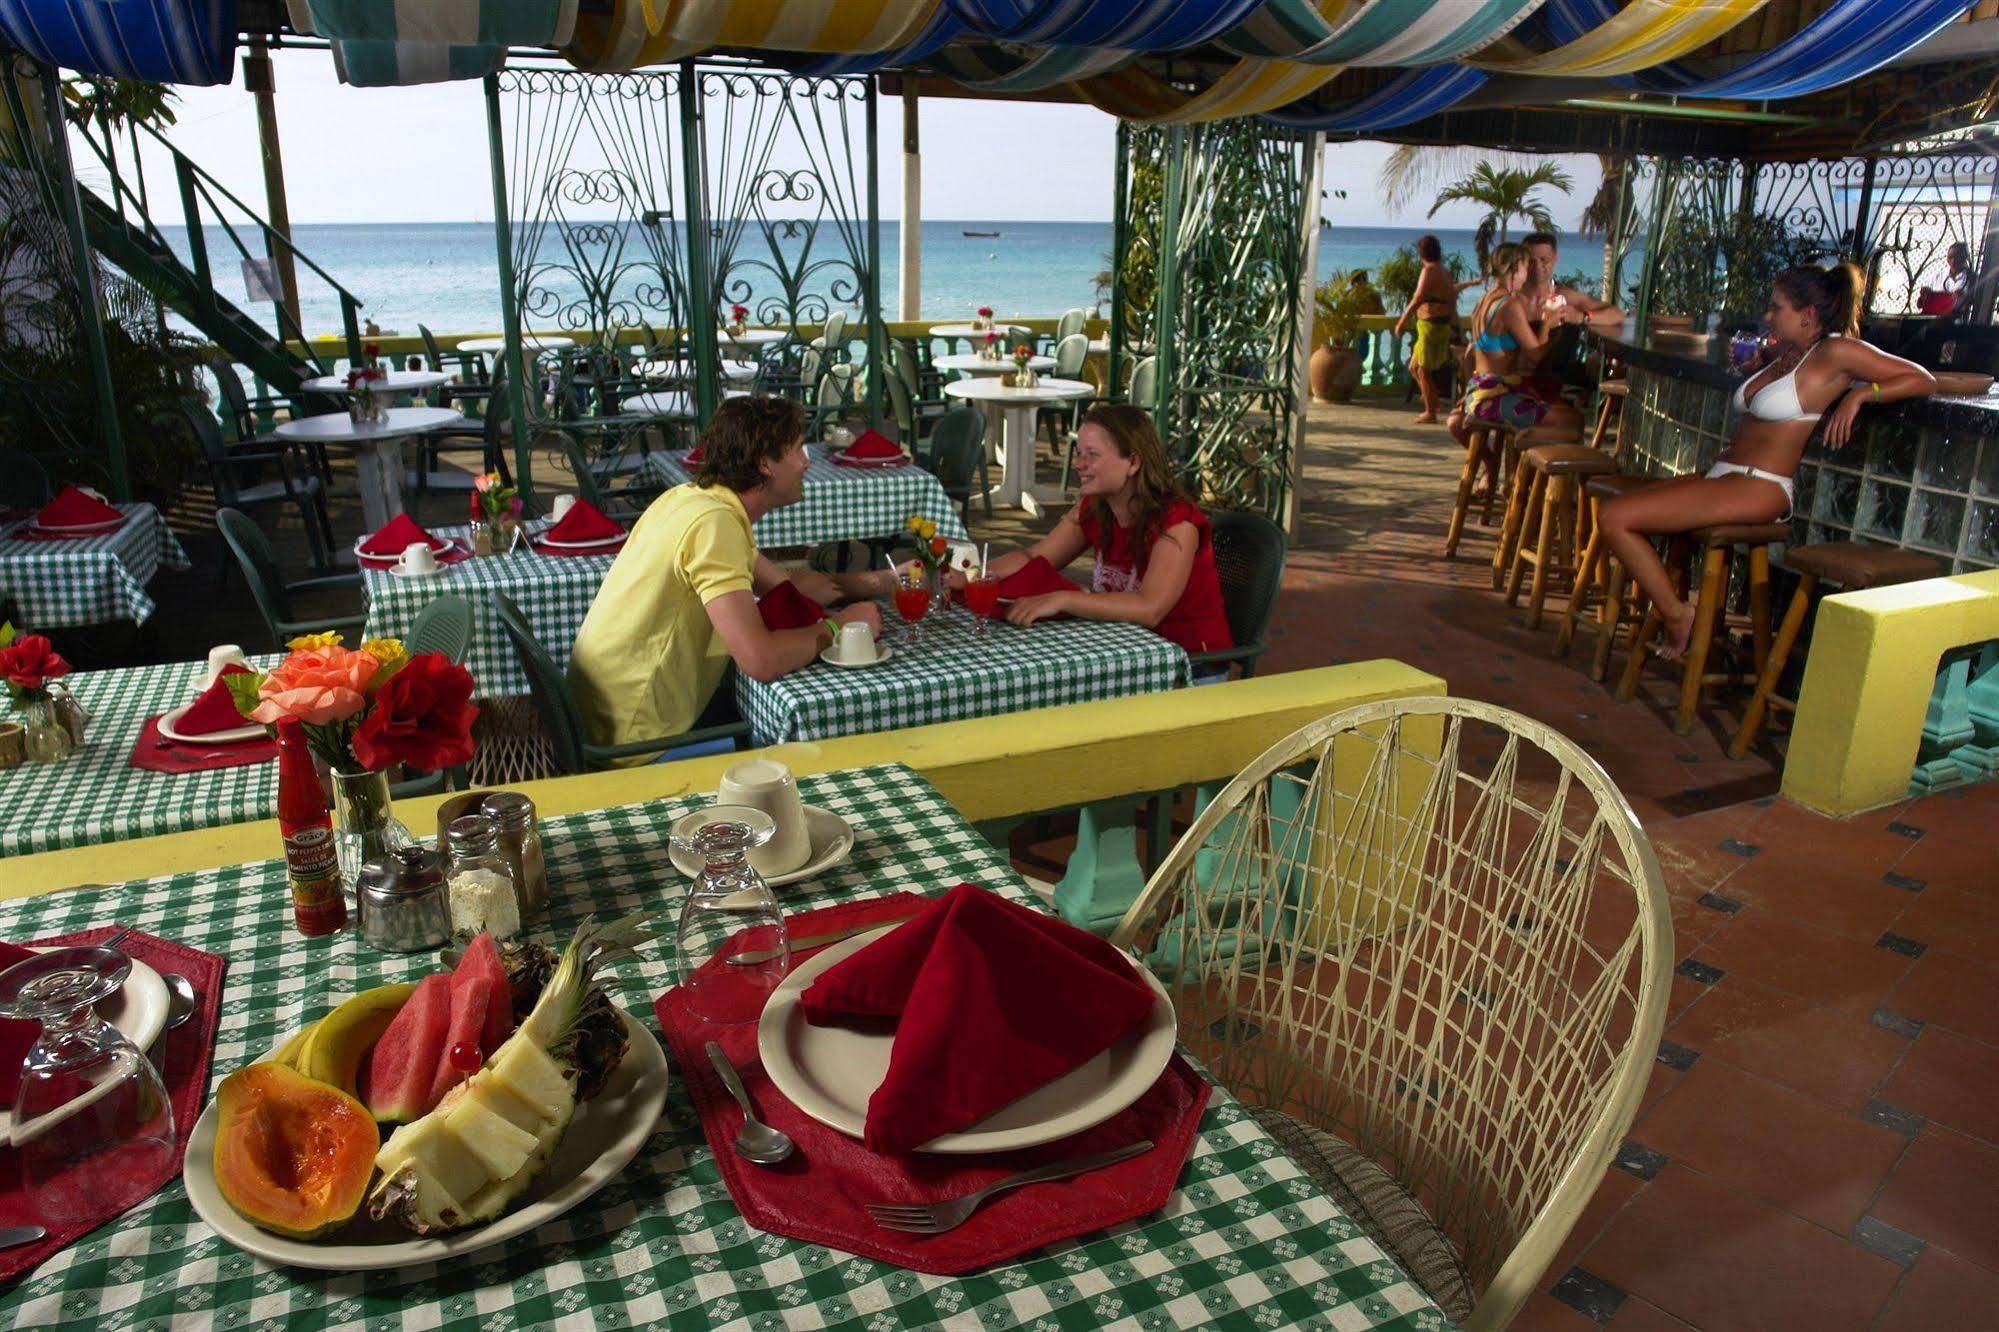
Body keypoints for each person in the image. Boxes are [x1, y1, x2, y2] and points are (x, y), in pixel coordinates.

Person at [1596, 264, 1939, 660]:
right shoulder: (1788, 352)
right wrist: (1755, 364)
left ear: (1807, 315)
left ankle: (1676, 614)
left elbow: (1921, 378)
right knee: (1620, 512)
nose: (1768, 315)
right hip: (1726, 475)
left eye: (1777, 308)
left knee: (1615, 517)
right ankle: (1678, 610)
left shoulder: (1836, 352)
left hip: (1762, 487)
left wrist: (1859, 396)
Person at [567, 396, 887, 760]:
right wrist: (840, 629)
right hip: (639, 744)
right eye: (798, 449)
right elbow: (760, 661)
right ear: (765, 463)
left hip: (600, 722)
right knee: (817, 758)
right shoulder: (715, 525)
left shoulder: (691, 499)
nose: (806, 463)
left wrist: (881, 582)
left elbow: (784, 585)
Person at [953, 404, 1232, 654]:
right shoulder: (1097, 508)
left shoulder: (1177, 521)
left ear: (1133, 462)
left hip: (1189, 662)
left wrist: (1063, 599)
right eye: (1079, 453)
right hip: (1126, 650)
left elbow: (1150, 608)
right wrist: (974, 577)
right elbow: (1034, 557)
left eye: (1092, 455)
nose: (1078, 464)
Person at [1446, 244, 1586, 498]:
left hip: (1482, 389)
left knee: (1559, 413)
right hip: (1498, 397)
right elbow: (1536, 354)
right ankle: (1537, 490)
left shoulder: (1484, 300)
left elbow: (1471, 355)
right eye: (1525, 266)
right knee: (1573, 420)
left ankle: (1516, 478)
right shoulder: (1509, 305)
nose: (1527, 273)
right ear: (1514, 268)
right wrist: (1547, 322)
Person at [1393, 234, 1475, 425]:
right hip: (1435, 325)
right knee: (1414, 367)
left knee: (1422, 370)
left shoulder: (1429, 270)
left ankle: (1430, 412)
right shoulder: (1444, 270)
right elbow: (1450, 294)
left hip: (1431, 326)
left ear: (1422, 252)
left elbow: (1418, 297)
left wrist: (1401, 321)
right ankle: (1432, 401)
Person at [1917, 242, 1971, 316]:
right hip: (1934, 318)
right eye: (1950, 257)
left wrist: (1963, 298)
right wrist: (1925, 295)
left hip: (1959, 320)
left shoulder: (1973, 279)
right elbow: (1921, 304)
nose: (1953, 261)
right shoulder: (1938, 276)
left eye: (1957, 257)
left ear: (1965, 257)